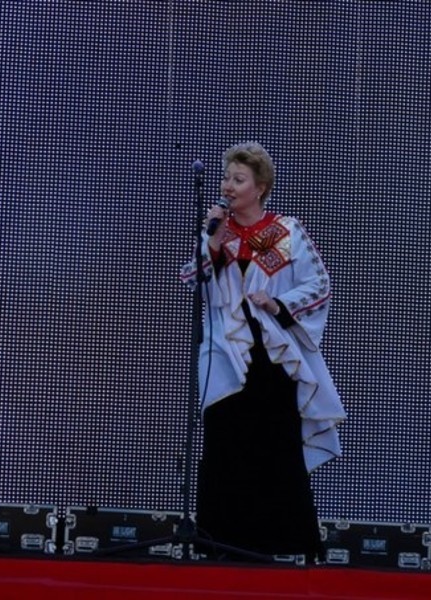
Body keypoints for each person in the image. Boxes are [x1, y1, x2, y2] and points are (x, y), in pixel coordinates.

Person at [179, 141, 346, 562]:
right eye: (226, 178)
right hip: (226, 353)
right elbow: (194, 279)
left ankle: (282, 544)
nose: (228, 187)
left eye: (238, 179)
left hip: (272, 355)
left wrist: (278, 303)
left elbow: (319, 284)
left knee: (274, 445)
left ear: (260, 187)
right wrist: (212, 240)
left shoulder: (286, 231)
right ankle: (220, 541)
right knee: (225, 445)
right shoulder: (217, 233)